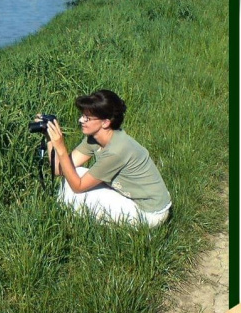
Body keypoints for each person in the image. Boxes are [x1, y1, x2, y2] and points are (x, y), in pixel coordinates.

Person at [38, 89, 171, 227]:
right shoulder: (95, 139)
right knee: (74, 174)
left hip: (150, 213)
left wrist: (61, 148)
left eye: (87, 118)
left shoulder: (117, 150)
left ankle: (66, 224)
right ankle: (66, 216)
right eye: (82, 115)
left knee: (75, 195)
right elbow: (60, 170)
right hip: (135, 198)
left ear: (105, 123)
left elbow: (78, 187)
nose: (80, 120)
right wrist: (49, 138)